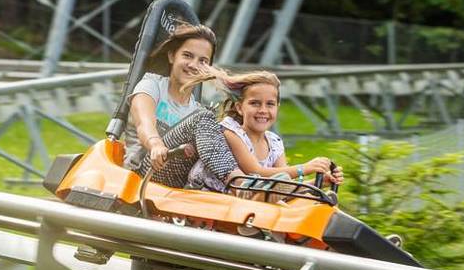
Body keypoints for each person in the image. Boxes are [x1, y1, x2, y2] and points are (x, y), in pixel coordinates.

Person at [180, 68, 344, 195]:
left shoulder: (274, 143)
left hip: (242, 199)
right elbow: (255, 172)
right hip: (206, 192)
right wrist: (304, 168)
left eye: (270, 104)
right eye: (255, 103)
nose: (263, 110)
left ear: (277, 108)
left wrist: (317, 184)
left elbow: (285, 187)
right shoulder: (231, 132)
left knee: (280, 188)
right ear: (240, 108)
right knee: (274, 187)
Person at [124, 23, 242, 190]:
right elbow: (144, 124)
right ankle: (239, 183)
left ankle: (254, 184)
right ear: (172, 56)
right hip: (146, 169)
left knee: (223, 127)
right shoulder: (152, 86)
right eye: (187, 55)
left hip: (182, 179)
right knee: (204, 117)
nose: (193, 65)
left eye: (203, 61)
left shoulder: (197, 110)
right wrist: (156, 144)